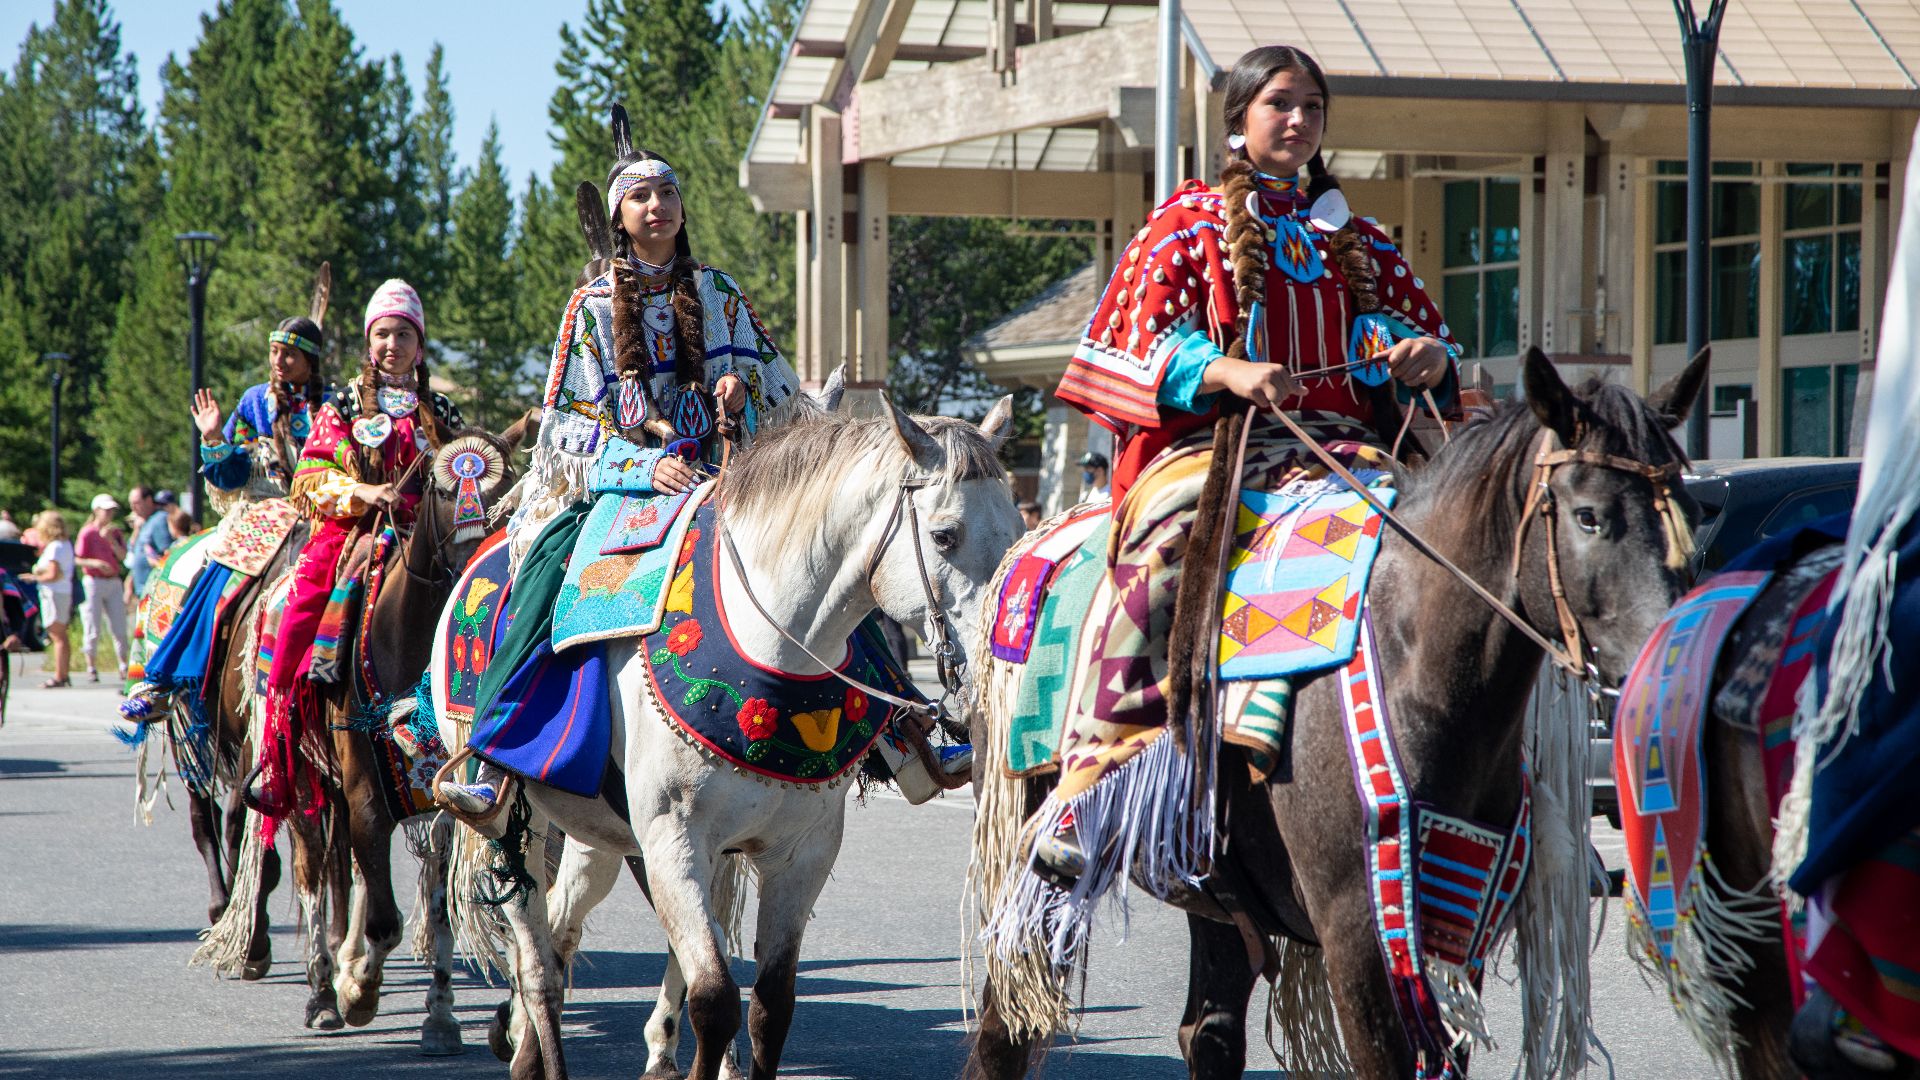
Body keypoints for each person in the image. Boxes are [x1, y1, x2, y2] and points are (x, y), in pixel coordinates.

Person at [1024, 44, 1457, 888]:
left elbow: (1428, 344)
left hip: (1344, 452)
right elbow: (1121, 344)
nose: (1299, 121)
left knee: (1447, 547)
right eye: (1280, 105)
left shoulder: (1358, 239)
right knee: (1165, 554)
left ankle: (1493, 796)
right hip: (1214, 446)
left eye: (1312, 109)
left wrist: (1426, 357)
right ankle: (1091, 781)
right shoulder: (1186, 222)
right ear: (1239, 120)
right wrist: (1226, 371)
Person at [437, 106, 804, 817]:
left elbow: (787, 396)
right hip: (619, 489)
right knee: (544, 573)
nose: (657, 205)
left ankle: (902, 725)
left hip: (726, 476)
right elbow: (565, 434)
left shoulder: (719, 293)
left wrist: (742, 392)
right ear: (619, 217)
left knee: (823, 549)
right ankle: (495, 748)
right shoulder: (591, 308)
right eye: (640, 196)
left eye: (666, 192)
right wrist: (644, 468)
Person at [251, 280, 463, 829]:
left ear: (420, 341)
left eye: (403, 333)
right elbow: (312, 471)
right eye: (383, 334)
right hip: (356, 532)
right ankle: (282, 740)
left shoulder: (439, 408)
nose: (392, 344)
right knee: (294, 608)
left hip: (428, 539)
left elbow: (465, 473)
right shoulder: (344, 402)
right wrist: (365, 493)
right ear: (371, 343)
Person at [121, 294, 332, 727]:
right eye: (275, 352)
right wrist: (215, 436)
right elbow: (231, 475)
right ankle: (164, 678)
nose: (279, 361)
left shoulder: (332, 406)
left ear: (310, 362)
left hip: (322, 514)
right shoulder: (256, 402)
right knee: (214, 579)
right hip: (263, 513)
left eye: (289, 354)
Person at [74, 493, 131, 683]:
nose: (109, 514)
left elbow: (123, 557)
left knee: (119, 625)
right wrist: (96, 563)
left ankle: (123, 664)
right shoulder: (87, 532)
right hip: (94, 580)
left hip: (113, 580)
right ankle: (91, 666)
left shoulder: (115, 532)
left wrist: (112, 541)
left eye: (111, 511)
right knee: (92, 624)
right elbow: (77, 558)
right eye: (105, 510)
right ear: (96, 511)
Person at [28, 510, 74, 688]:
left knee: (57, 635)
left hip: (54, 593)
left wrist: (34, 577)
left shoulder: (55, 546)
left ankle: (59, 676)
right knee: (61, 634)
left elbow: (54, 574)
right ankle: (64, 673)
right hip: (62, 592)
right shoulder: (65, 544)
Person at [126, 489, 177, 600]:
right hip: (144, 591)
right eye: (131, 504)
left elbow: (167, 553)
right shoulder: (146, 522)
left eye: (136, 503)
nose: (133, 508)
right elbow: (132, 552)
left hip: (154, 592)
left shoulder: (159, 519)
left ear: (148, 500)